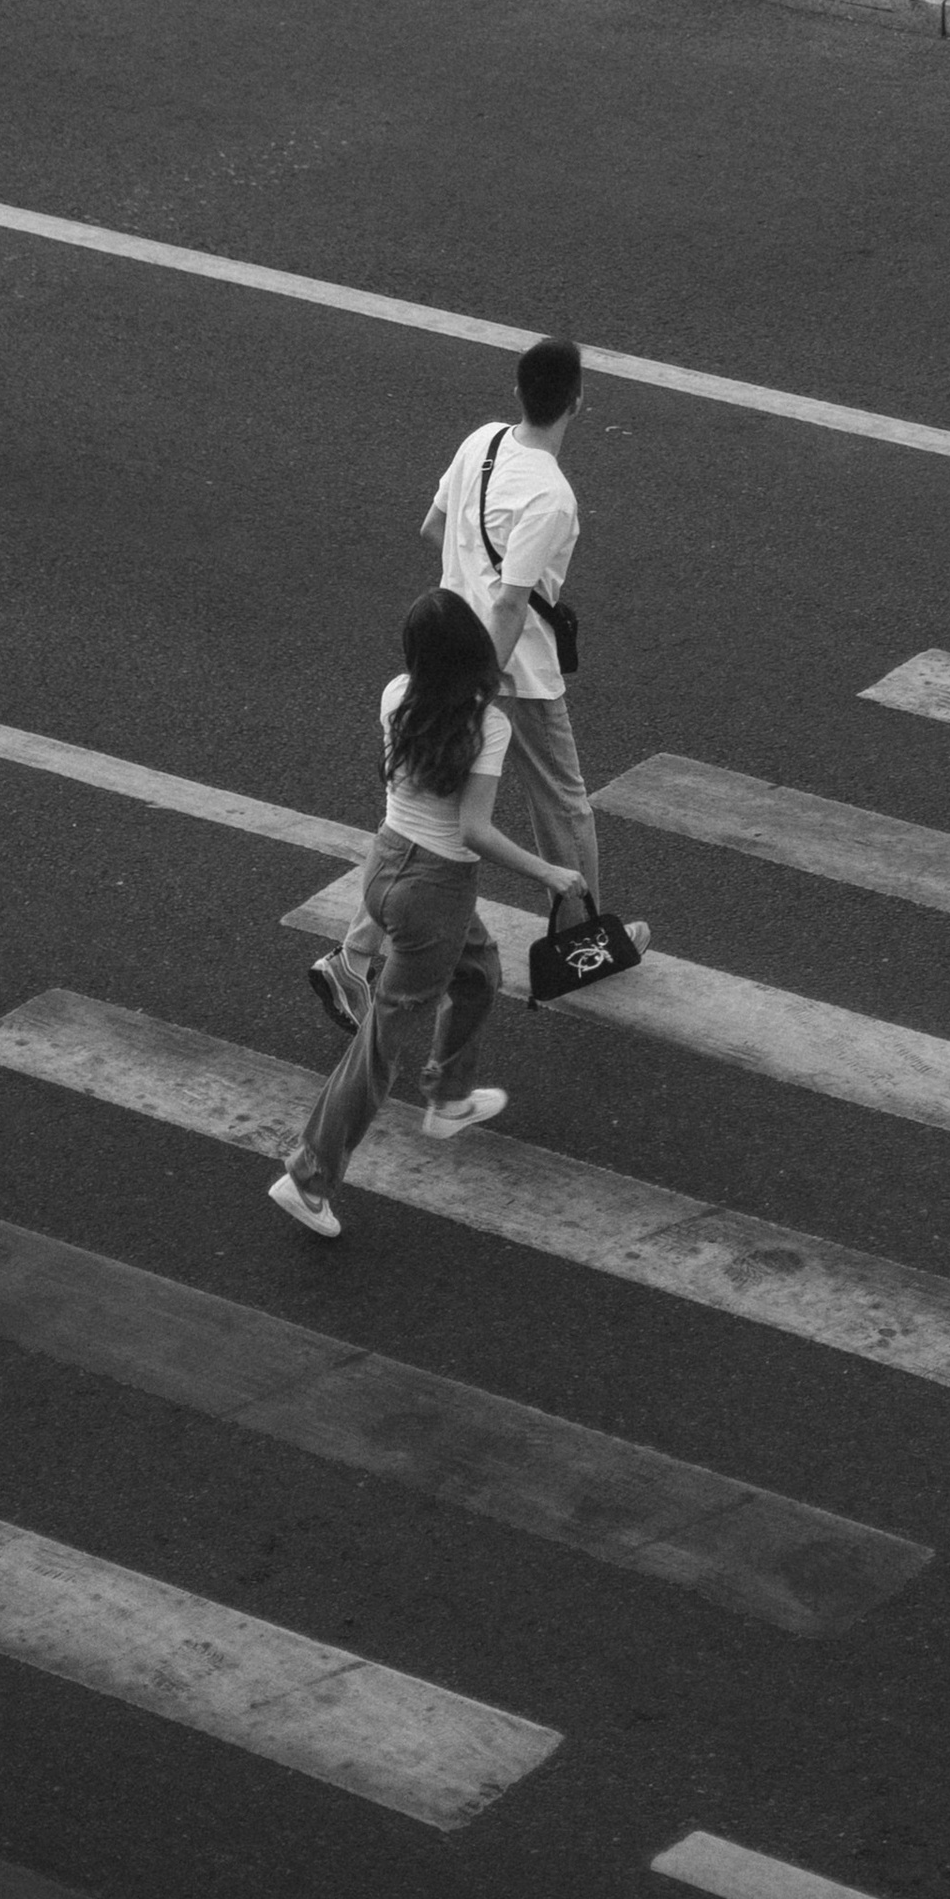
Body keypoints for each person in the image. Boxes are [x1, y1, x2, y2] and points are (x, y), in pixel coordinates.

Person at [309, 333, 644, 1037]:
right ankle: (584, 945)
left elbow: (433, 526)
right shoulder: (552, 495)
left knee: (420, 814)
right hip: (512, 673)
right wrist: (480, 688)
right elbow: (512, 603)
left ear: (519, 395)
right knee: (565, 805)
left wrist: (464, 595)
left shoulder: (482, 442)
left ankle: (354, 954)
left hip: (443, 651)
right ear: (577, 403)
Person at [270, 588, 581, 1239]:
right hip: (436, 891)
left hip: (385, 867)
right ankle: (309, 1176)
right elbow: (474, 831)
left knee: (479, 972)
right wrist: (549, 871)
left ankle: (448, 1097)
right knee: (379, 1049)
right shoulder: (484, 727)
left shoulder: (396, 696)